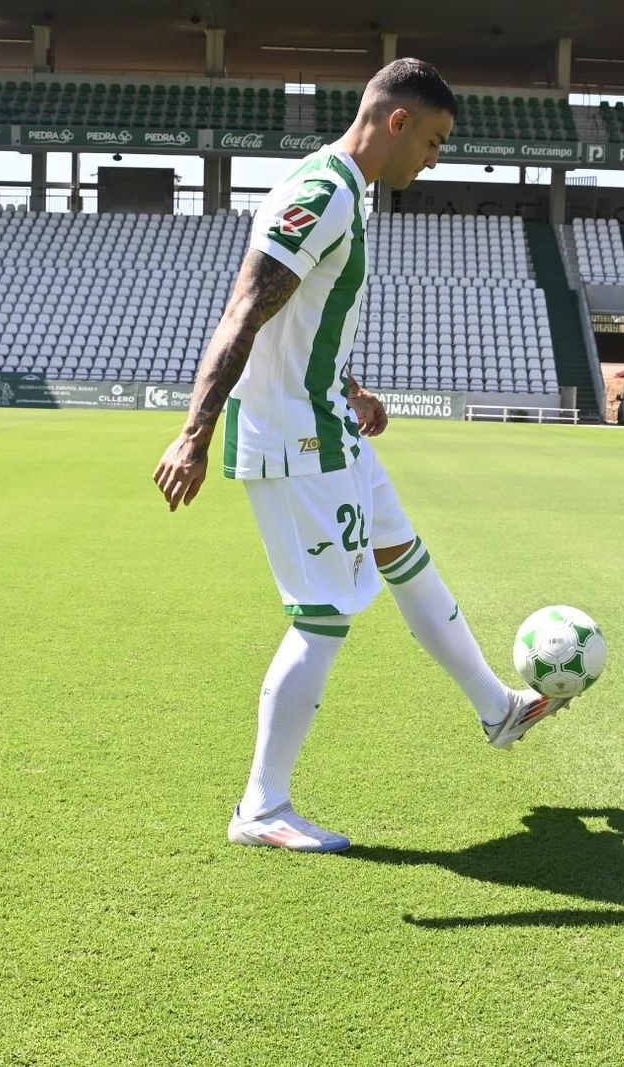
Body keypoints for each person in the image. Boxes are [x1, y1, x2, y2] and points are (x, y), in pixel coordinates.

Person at [152, 59, 570, 854]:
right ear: (398, 122)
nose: (436, 160)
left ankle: (496, 707)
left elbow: (301, 315)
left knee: (403, 553)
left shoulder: (345, 189)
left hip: (327, 420)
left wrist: (351, 384)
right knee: (326, 613)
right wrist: (194, 431)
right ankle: (262, 806)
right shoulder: (326, 191)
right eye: (437, 142)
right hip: (292, 435)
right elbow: (249, 303)